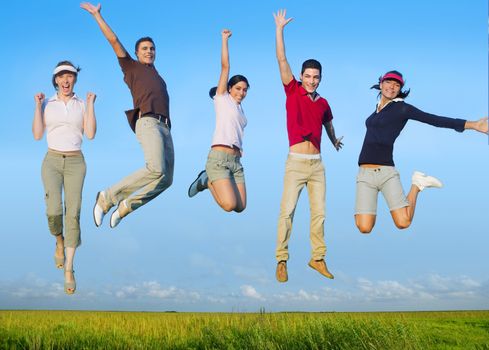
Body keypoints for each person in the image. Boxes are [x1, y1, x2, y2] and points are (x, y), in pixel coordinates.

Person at [355, 70, 488, 234]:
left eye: (397, 85)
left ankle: (417, 184)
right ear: (381, 83)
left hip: (386, 171)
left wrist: (473, 125)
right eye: (389, 82)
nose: (392, 87)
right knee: (364, 227)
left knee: (403, 222)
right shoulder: (376, 111)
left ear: (400, 90)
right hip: (365, 174)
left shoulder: (402, 108)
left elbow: (435, 120)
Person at [81, 2, 174, 228]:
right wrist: (97, 16)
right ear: (136, 53)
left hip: (166, 128)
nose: (149, 51)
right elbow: (113, 41)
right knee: (155, 169)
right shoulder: (131, 67)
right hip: (148, 122)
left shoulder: (158, 76)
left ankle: (126, 206)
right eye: (144, 48)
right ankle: (107, 197)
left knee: (166, 179)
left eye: (152, 48)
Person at [273, 10, 343, 283]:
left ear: (320, 79)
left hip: (317, 165)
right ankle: (281, 259)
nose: (312, 80)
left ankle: (318, 258)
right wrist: (279, 29)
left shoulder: (324, 102)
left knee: (320, 213)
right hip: (296, 162)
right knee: (287, 211)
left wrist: (334, 140)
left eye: (316, 77)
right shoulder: (292, 89)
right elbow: (281, 59)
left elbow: (328, 124)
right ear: (301, 76)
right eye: (308, 75)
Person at [32, 61, 97, 294]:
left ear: (74, 79)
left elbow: (90, 134)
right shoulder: (48, 102)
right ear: (56, 80)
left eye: (70, 75)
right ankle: (58, 241)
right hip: (51, 160)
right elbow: (38, 135)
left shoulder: (81, 103)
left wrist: (90, 105)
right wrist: (37, 105)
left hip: (76, 162)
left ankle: (69, 268)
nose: (66, 80)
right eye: (62, 76)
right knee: (53, 211)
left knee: (74, 212)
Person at [187, 29, 249, 213]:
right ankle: (205, 180)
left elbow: (235, 130)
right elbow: (225, 66)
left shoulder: (241, 110)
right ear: (229, 88)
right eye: (238, 88)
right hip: (219, 159)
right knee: (229, 205)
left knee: (241, 207)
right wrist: (224, 40)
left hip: (236, 162)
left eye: (245, 90)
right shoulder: (222, 99)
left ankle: (209, 180)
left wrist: (240, 148)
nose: (241, 92)